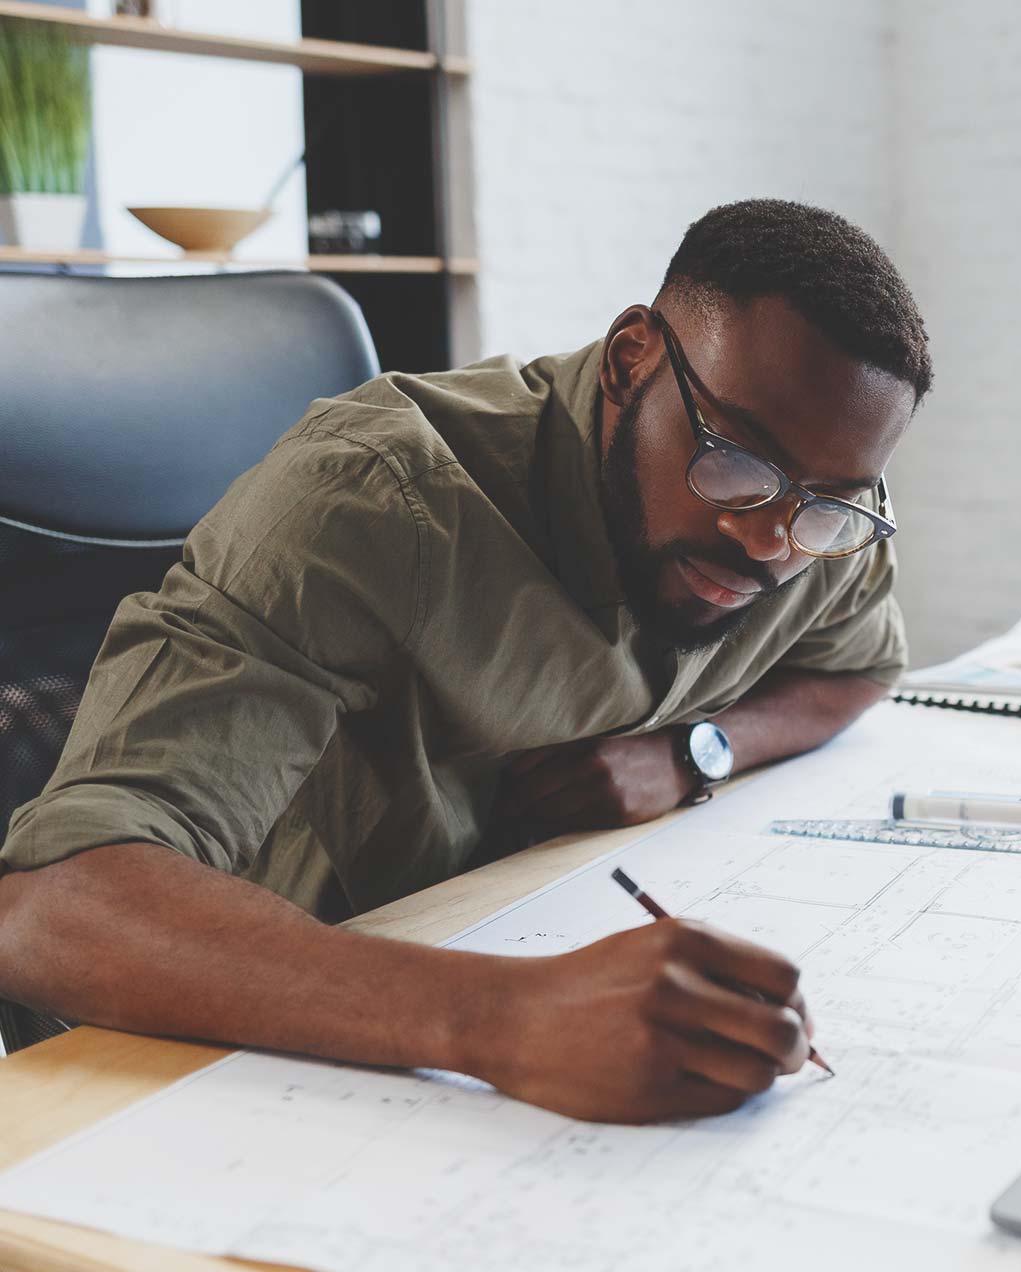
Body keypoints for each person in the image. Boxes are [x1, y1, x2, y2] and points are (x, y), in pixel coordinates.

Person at [0, 199, 931, 1123]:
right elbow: (54, 909)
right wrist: (505, 1020)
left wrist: (693, 752)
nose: (770, 541)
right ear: (630, 359)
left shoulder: (821, 524)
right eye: (737, 462)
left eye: (828, 502)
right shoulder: (371, 499)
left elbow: (859, 669)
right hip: (207, 1065)